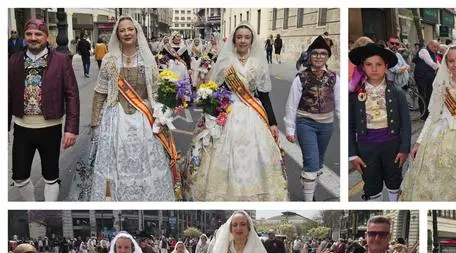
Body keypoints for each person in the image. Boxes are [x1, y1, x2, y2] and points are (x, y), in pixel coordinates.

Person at [69, 16, 176, 201]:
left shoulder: (148, 60)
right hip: (115, 119)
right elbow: (100, 92)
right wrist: (95, 124)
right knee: (114, 163)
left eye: (130, 29)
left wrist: (163, 114)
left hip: (144, 120)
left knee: (146, 163)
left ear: (136, 32)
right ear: (117, 35)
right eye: (122, 30)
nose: (127, 33)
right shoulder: (110, 60)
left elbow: (157, 91)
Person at [182, 23, 288, 201]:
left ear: (252, 40)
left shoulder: (258, 63)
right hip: (228, 111)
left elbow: (264, 95)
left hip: (253, 113)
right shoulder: (225, 62)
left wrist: (273, 122)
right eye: (239, 37)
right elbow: (216, 90)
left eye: (247, 37)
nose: (243, 41)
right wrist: (210, 111)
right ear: (234, 40)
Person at [401, 44, 456, 201]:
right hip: (437, 137)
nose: (455, 65)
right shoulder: (441, 85)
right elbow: (432, 115)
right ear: (446, 63)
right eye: (451, 61)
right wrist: (419, 142)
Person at [9, 19, 80, 201]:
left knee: (50, 175)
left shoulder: (61, 60)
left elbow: (72, 94)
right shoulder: (14, 60)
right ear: (24, 37)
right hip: (22, 127)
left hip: (50, 127)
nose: (33, 38)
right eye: (29, 34)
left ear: (47, 37)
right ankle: (32, 204)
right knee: (19, 176)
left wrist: (71, 128)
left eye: (38, 34)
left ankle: (49, 206)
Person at [348, 44, 411, 201]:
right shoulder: (355, 94)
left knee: (394, 181)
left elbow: (406, 123)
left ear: (386, 66)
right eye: (369, 65)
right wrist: (352, 154)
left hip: (392, 145)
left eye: (379, 64)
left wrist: (404, 149)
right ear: (363, 67)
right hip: (366, 147)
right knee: (371, 184)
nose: (374, 69)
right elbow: (350, 125)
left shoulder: (397, 92)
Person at [283, 36, 339, 201]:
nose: (319, 56)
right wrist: (289, 128)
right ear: (309, 56)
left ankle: (308, 185)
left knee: (318, 164)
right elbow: (291, 104)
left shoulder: (334, 78)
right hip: (306, 123)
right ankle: (309, 200)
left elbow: (340, 103)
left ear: (328, 56)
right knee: (312, 163)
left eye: (323, 53)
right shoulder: (301, 78)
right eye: (315, 53)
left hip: (327, 125)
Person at [414, 40, 441, 120]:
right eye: (435, 47)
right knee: (423, 94)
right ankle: (423, 114)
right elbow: (431, 63)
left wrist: (441, 67)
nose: (436, 49)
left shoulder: (433, 52)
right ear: (430, 45)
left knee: (429, 94)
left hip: (429, 76)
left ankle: (428, 112)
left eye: (437, 48)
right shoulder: (424, 51)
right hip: (421, 76)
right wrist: (440, 69)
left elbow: (436, 62)